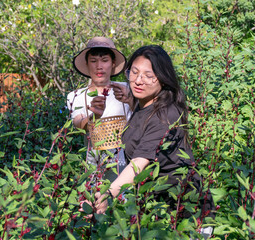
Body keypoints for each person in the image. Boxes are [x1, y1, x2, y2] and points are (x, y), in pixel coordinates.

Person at [86, 45, 215, 236]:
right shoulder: (143, 104)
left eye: (149, 75)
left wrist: (107, 194)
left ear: (163, 78)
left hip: (188, 214)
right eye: (134, 72)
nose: (138, 80)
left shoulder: (166, 114)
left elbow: (140, 162)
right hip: (159, 208)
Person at [67, 37, 131, 182]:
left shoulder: (126, 89)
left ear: (113, 63)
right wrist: (94, 117)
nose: (99, 66)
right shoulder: (76, 96)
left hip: (125, 169)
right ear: (87, 64)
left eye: (104, 60)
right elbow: (78, 124)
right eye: (93, 61)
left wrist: (130, 99)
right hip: (93, 170)